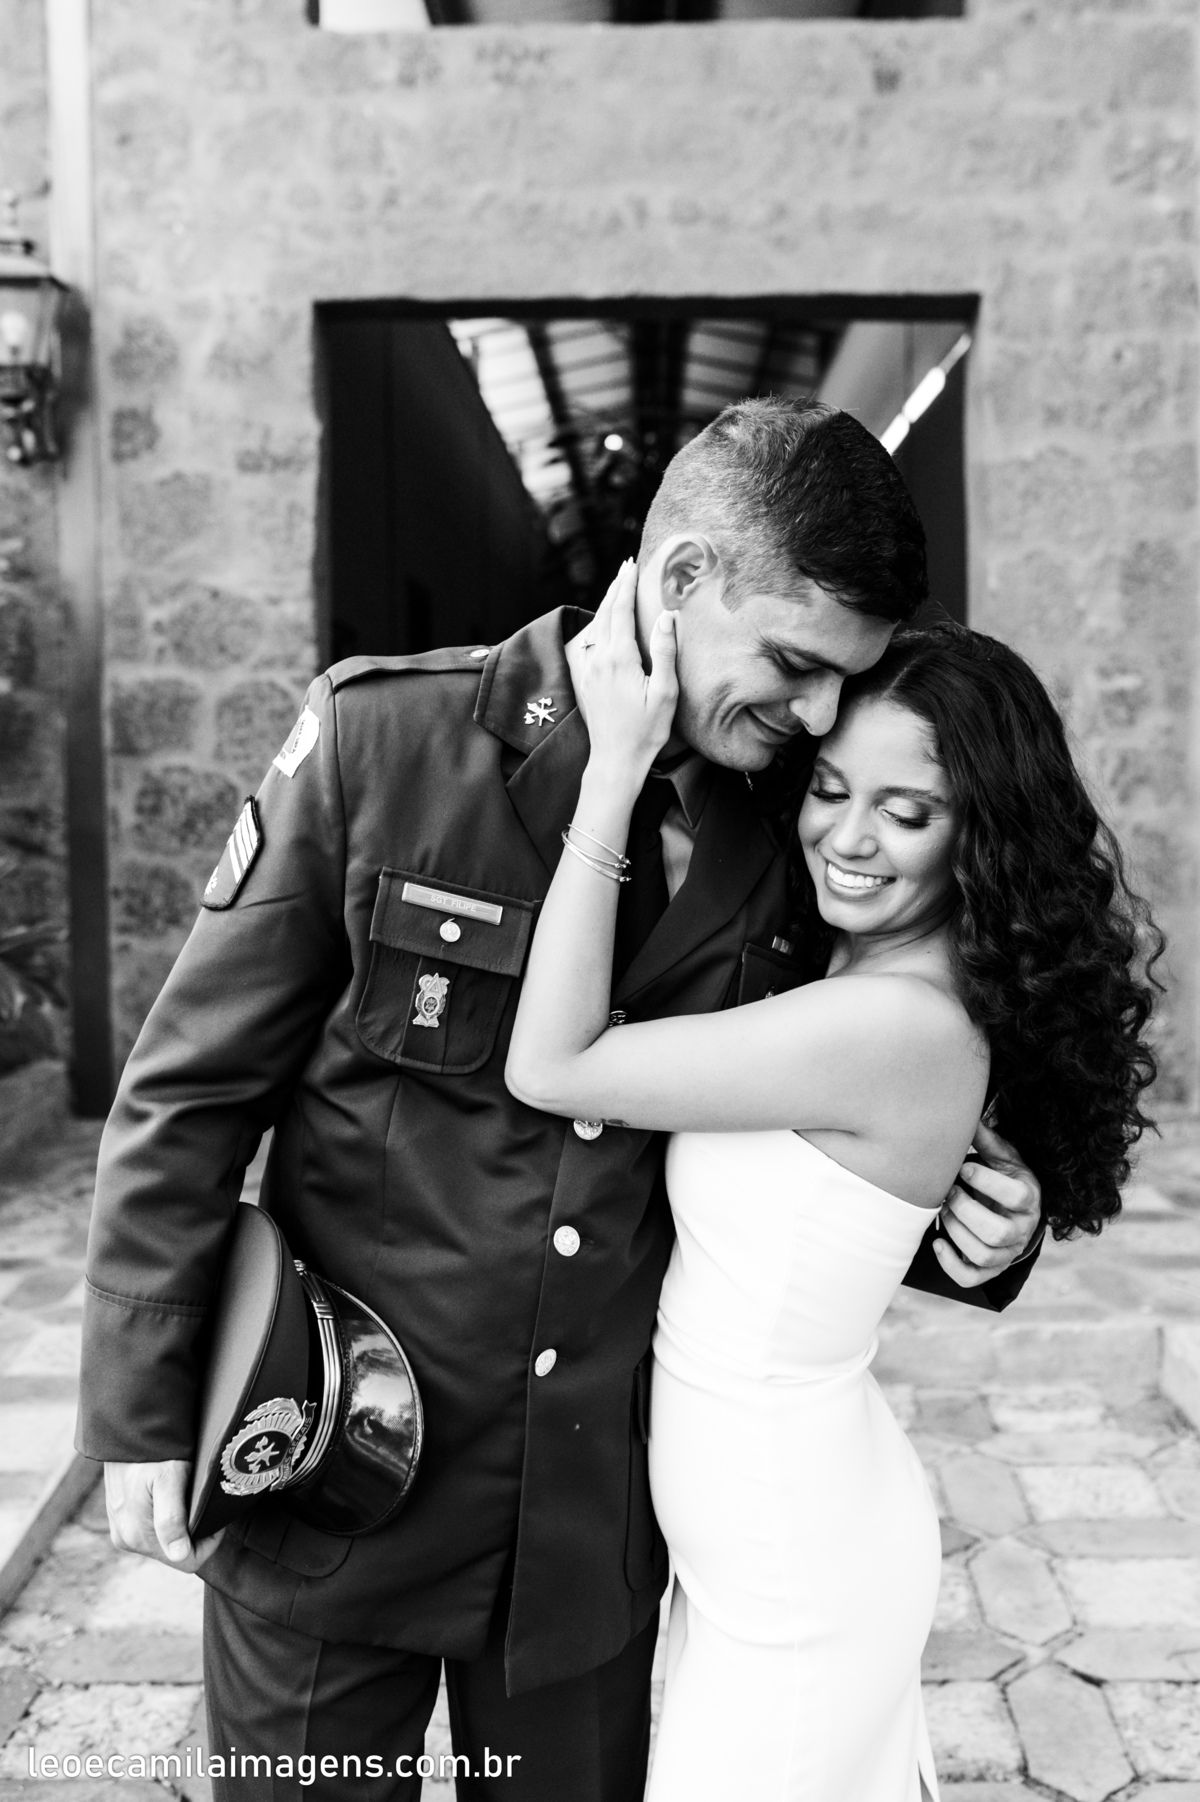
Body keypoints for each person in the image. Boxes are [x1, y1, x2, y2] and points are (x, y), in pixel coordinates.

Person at [78, 400, 1043, 1802]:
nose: (818, 715)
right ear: (687, 573)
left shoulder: (795, 827)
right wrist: (139, 1405)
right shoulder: (387, 740)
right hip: (332, 1480)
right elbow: (191, 1088)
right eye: (794, 663)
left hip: (582, 1526)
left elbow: (843, 1111)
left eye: (843, 682)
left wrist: (983, 1234)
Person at [505, 582, 1161, 1802]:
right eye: (830, 789)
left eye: (907, 811)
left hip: (794, 1560)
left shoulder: (888, 1022)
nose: (849, 838)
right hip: (769, 1538)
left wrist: (610, 778)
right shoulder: (850, 973)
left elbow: (553, 1065)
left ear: (984, 835)